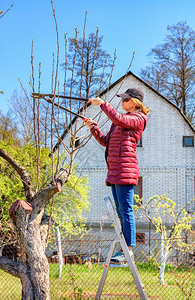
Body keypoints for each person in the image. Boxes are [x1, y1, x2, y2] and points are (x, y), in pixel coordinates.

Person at [84, 88, 150, 263]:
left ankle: (128, 250)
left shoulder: (138, 118)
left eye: (126, 99)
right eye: (122, 99)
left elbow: (118, 118)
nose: (122, 102)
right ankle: (124, 249)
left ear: (135, 102)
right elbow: (106, 141)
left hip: (125, 170)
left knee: (126, 211)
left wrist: (103, 105)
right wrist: (93, 128)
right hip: (115, 171)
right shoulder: (121, 122)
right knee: (120, 214)